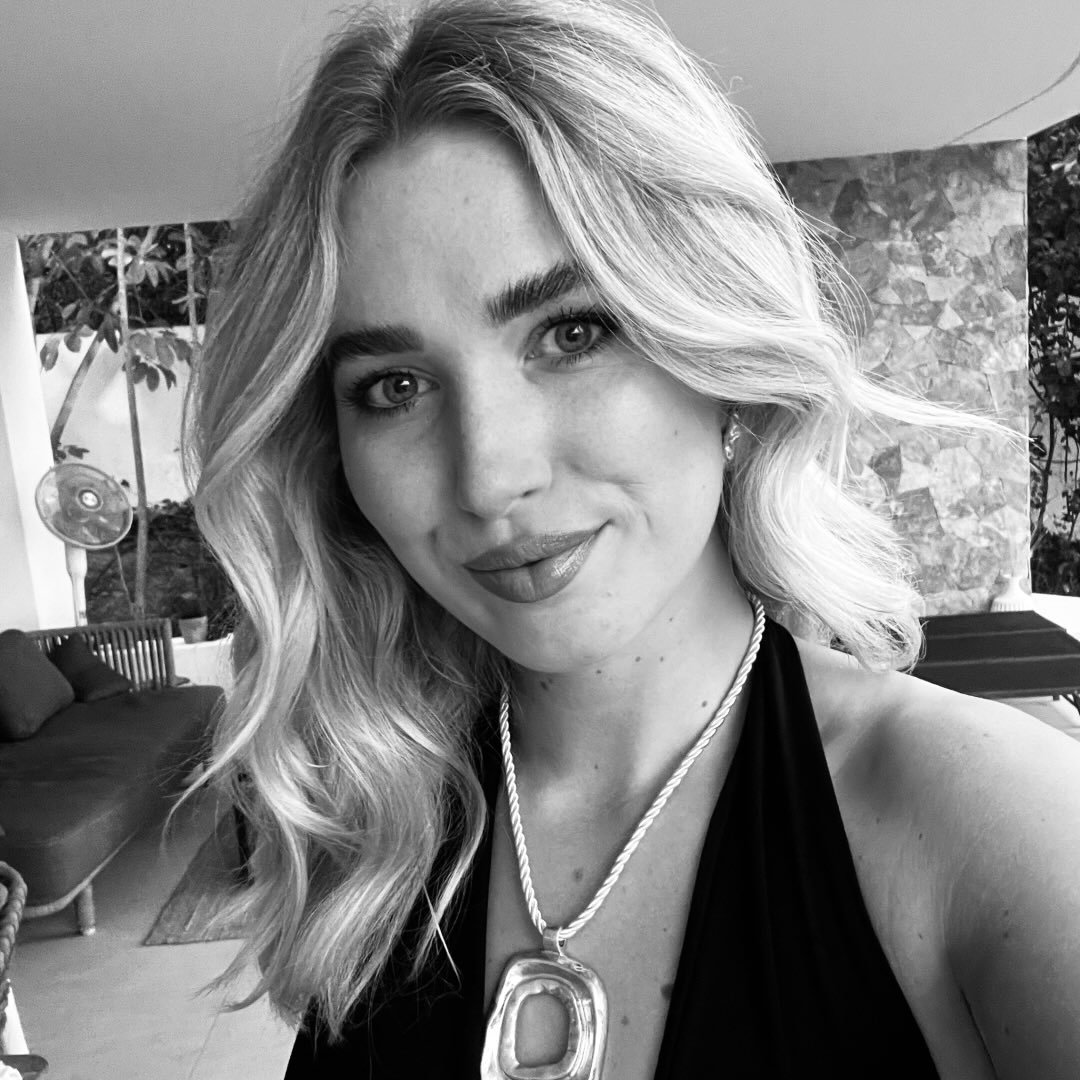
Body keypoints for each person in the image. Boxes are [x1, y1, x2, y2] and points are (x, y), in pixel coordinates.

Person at [182, 0, 1080, 1076]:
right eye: (394, 386)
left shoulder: (1001, 828)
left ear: (720, 351)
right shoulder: (379, 825)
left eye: (572, 332)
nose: (490, 475)